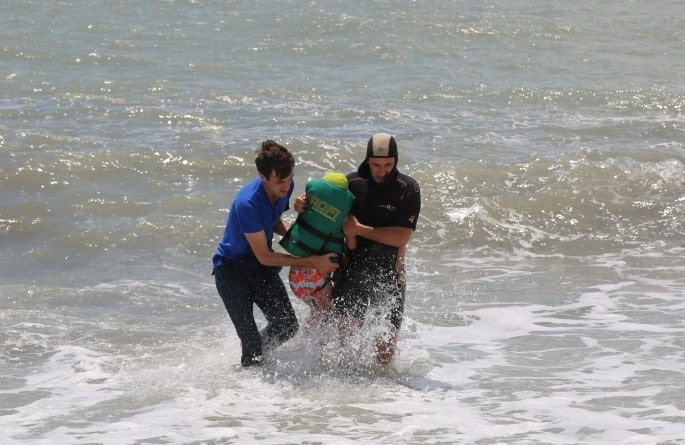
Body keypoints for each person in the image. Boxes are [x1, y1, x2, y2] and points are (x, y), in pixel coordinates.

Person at [212, 140, 339, 367]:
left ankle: (259, 364)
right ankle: (249, 387)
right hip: (232, 273)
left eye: (290, 178)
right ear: (262, 176)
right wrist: (312, 261)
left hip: (260, 270)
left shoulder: (285, 185)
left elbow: (273, 218)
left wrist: (296, 239)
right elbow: (265, 256)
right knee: (251, 345)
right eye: (280, 181)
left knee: (287, 325)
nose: (286, 186)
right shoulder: (247, 204)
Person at [331, 133, 421, 364]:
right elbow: (321, 203)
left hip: (389, 273)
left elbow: (401, 236)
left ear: (396, 161)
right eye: (376, 165)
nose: (382, 171)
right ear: (367, 161)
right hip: (352, 270)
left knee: (385, 350)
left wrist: (360, 229)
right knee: (346, 347)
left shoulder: (408, 189)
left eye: (388, 165)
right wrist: (303, 203)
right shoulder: (351, 184)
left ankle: (385, 399)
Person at [279, 171, 356, 329]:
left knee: (317, 312)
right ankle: (318, 352)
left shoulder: (307, 202)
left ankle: (306, 345)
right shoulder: (345, 215)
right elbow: (352, 245)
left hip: (296, 278)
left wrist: (297, 203)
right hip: (318, 277)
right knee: (327, 314)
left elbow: (299, 210)